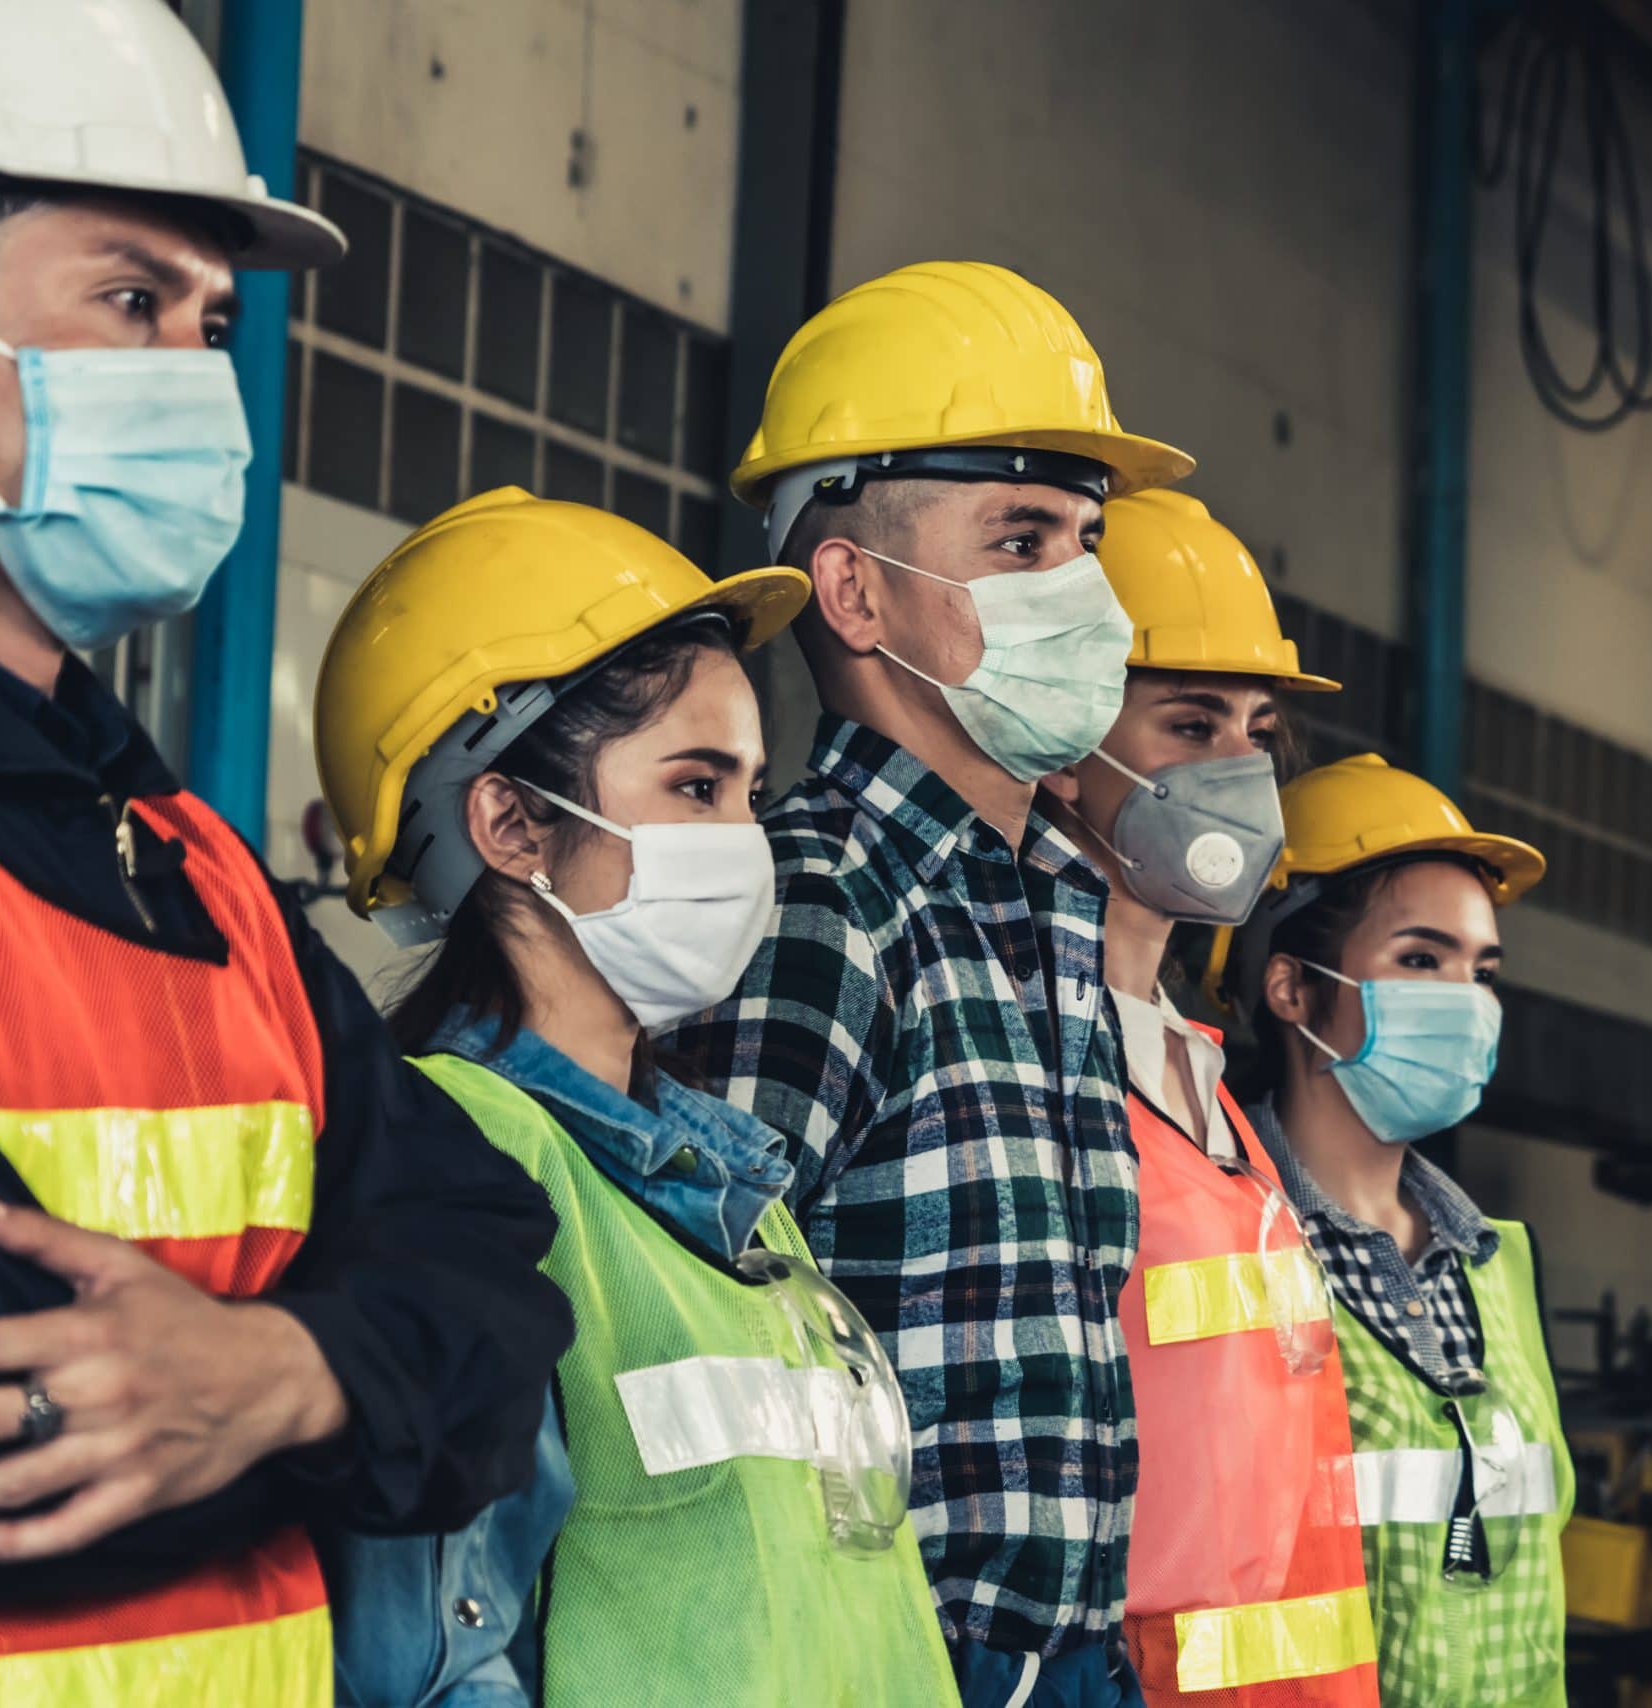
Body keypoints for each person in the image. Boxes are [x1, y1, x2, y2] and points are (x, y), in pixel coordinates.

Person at [0, 3, 570, 1701]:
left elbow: (504, 1301)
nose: (201, 380)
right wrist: (360, 1375)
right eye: (131, 300)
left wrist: (278, 1371)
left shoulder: (187, 858)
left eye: (211, 322)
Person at [311, 488, 962, 1706]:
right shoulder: (461, 1163)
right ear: (510, 821)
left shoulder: (731, 1193)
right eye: (696, 787)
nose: (745, 842)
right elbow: (439, 1657)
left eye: (751, 795)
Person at [670, 260, 1192, 1708]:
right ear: (853, 589)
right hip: (897, 1664)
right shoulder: (817, 905)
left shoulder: (1046, 914)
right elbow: (721, 1349)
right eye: (1021, 538)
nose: (1083, 593)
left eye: (1087, 542)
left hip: (1074, 1663)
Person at [1034, 490, 1379, 1707]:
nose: (1240, 766)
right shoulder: (1022, 1063)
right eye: (1189, 723)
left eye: (1257, 728)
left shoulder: (1205, 1076)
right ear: (1065, 735)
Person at [1213, 756, 1573, 1708]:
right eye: (1421, 960)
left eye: (1482, 970)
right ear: (1291, 989)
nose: (1466, 999)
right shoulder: (1228, 1251)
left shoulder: (1497, 1263)